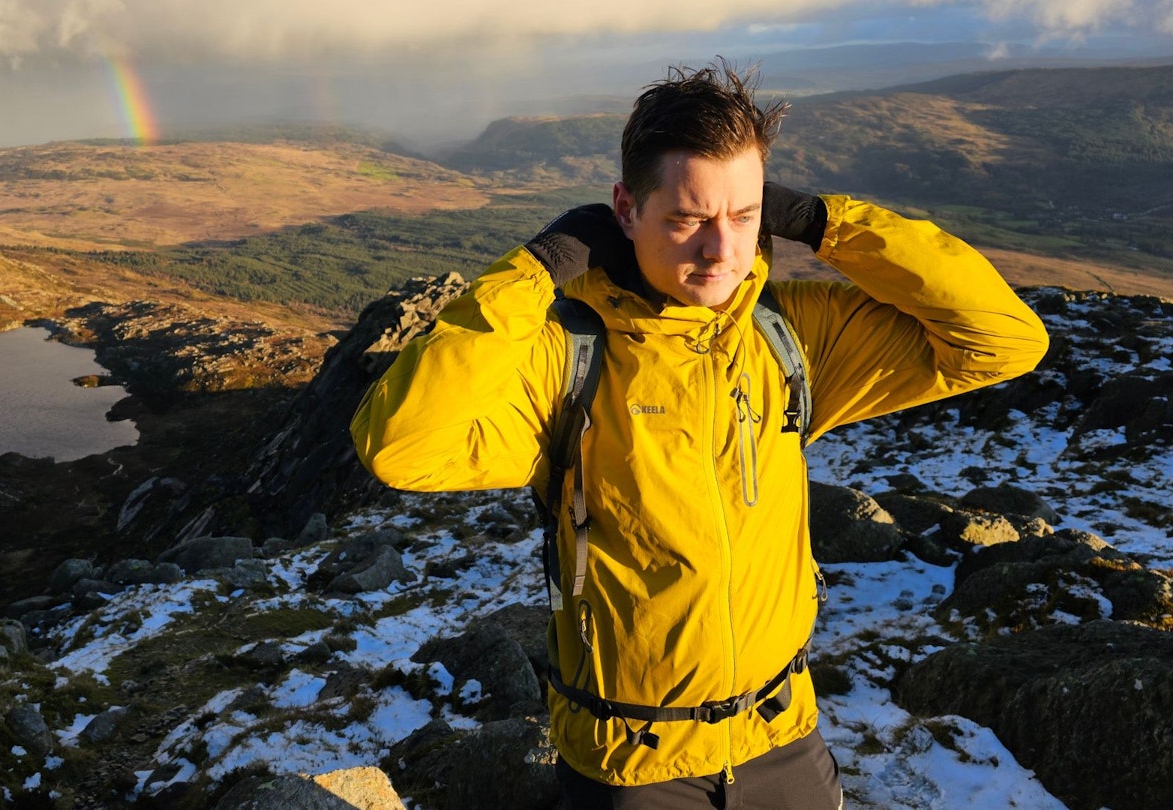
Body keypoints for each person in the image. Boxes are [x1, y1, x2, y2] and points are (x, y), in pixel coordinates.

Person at [350, 59, 1048, 809]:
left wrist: (824, 222)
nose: (720, 251)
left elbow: (1002, 339)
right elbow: (401, 444)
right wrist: (537, 269)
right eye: (687, 218)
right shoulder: (567, 359)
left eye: (743, 216)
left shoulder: (788, 335)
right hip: (632, 768)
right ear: (625, 208)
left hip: (784, 741)